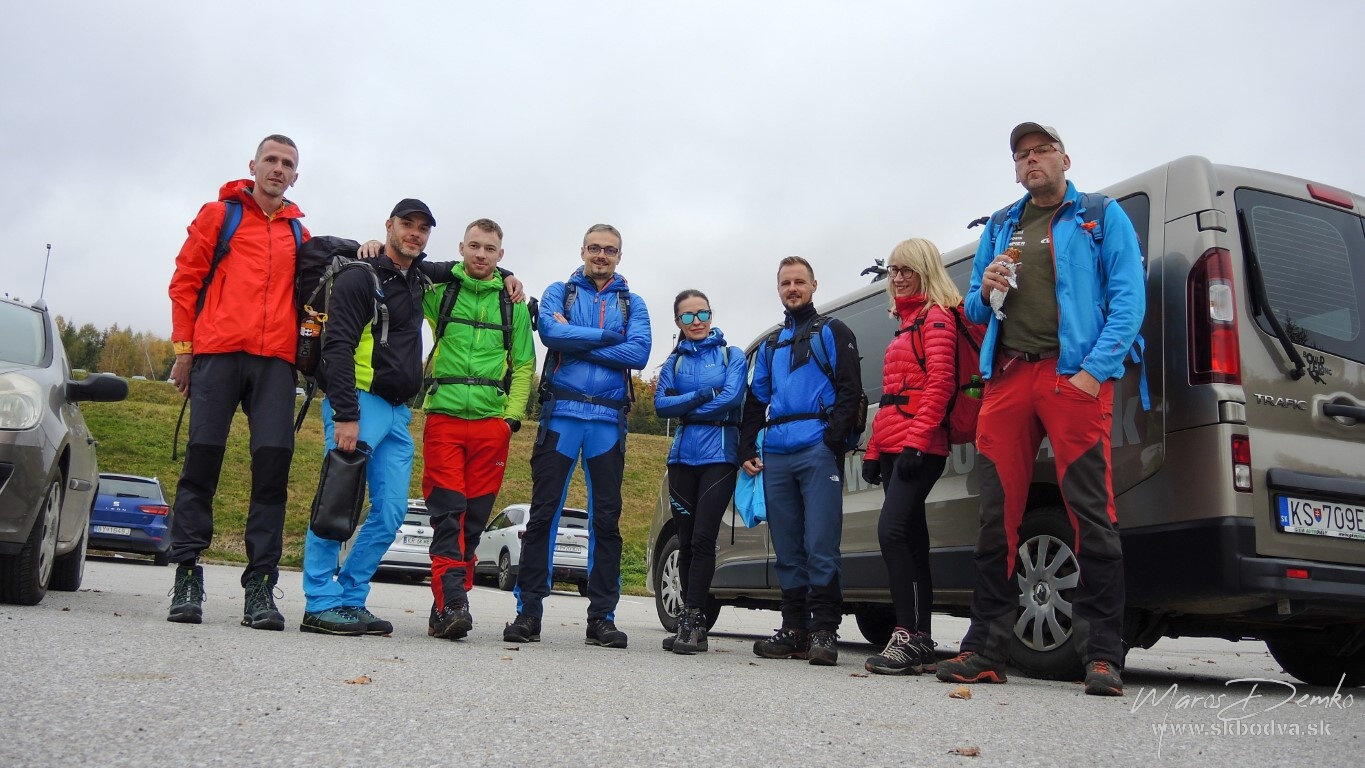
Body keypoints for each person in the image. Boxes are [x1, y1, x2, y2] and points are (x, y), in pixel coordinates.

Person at [935, 123, 1144, 696]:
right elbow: (975, 307)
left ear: (1064, 159)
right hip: (1007, 377)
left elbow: (1130, 299)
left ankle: (1102, 655)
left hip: (1071, 376)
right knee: (996, 515)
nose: (1030, 160)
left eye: (1040, 151)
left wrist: (1091, 373)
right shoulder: (1002, 224)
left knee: (1090, 514)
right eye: (1021, 155)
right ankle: (984, 650)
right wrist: (990, 287)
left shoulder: (1101, 216)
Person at [165, 134, 309, 630]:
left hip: (274, 363)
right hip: (218, 353)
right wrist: (184, 350)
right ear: (253, 165)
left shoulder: (298, 234)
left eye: (287, 163)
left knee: (273, 470)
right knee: (201, 459)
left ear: (295, 175)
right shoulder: (218, 215)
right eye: (270, 159)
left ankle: (260, 588)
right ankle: (186, 575)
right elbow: (185, 281)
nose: (277, 168)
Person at [503, 224, 651, 648]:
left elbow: (638, 354)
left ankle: (601, 616)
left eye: (610, 250)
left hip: (607, 421)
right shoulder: (558, 291)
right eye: (595, 248)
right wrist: (609, 338)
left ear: (619, 256)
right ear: (582, 250)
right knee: (544, 515)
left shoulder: (633, 302)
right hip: (562, 414)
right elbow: (551, 333)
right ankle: (528, 611)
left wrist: (578, 340)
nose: (601, 255)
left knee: (606, 521)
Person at [298, 199, 440, 635]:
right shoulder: (362, 276)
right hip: (359, 403)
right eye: (407, 225)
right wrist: (345, 413)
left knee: (392, 512)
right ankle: (320, 602)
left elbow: (465, 263)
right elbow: (337, 346)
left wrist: (508, 276)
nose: (414, 233)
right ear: (389, 226)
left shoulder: (417, 277)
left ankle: (351, 597)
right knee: (335, 503)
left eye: (422, 228)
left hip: (398, 414)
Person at [738, 256, 863, 666]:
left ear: (813, 285)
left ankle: (824, 631)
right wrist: (747, 450)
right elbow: (756, 400)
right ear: (779, 289)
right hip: (777, 451)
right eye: (786, 283)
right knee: (788, 547)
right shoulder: (773, 344)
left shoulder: (833, 331)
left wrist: (832, 442)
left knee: (821, 544)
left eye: (799, 282)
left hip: (815, 449)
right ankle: (794, 629)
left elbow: (850, 390)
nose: (793, 288)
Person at [422, 218, 535, 641]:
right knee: (447, 514)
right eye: (474, 246)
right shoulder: (441, 293)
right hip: (445, 418)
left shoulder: (514, 304)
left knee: (472, 523)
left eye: (490, 249)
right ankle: (454, 601)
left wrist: (510, 419)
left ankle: (444, 608)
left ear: (500, 255)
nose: (481, 255)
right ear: (462, 248)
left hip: (491, 426)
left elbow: (524, 366)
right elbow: (407, 272)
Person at [860, 239, 961, 675]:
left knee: (892, 532)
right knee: (912, 539)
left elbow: (940, 384)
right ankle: (919, 637)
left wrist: (917, 442)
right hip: (895, 443)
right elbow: (890, 400)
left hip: (919, 446)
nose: (898, 277)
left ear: (925, 270)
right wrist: (874, 449)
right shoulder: (905, 322)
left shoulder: (935, 318)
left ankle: (906, 634)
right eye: (893, 270)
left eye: (907, 269)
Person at [653, 290, 747, 654]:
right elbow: (661, 405)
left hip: (719, 458)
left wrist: (686, 407)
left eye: (702, 313)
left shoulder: (731, 355)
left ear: (711, 314)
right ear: (678, 322)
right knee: (686, 539)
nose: (696, 321)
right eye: (688, 316)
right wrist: (700, 397)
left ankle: (694, 619)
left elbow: (732, 397)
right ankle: (687, 622)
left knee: (705, 538)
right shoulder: (673, 360)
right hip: (681, 459)